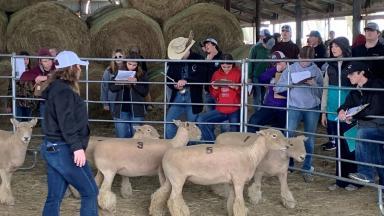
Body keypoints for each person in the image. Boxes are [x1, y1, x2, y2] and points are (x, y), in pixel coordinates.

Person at [40, 50, 98, 216]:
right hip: (63, 148)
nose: (80, 68)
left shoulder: (58, 89)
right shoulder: (63, 92)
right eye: (78, 65)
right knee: (90, 192)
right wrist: (76, 147)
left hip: (57, 147)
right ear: (71, 68)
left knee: (55, 196)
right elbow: (66, 122)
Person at [275, 46, 323, 182]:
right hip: (294, 106)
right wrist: (291, 83)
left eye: (308, 61)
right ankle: (287, 164)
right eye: (302, 60)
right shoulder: (290, 69)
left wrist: (314, 84)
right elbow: (277, 88)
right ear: (298, 57)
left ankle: (307, 167)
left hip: (312, 107)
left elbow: (322, 92)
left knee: (310, 138)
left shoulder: (316, 70)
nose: (304, 63)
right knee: (289, 134)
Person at [320, 37, 360, 191]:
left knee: (349, 144)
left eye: (336, 46)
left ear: (343, 47)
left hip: (348, 109)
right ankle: (340, 180)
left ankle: (355, 179)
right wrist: (323, 111)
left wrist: (355, 110)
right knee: (338, 146)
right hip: (331, 109)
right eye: (331, 47)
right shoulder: (329, 65)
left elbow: (357, 88)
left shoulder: (352, 64)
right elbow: (325, 88)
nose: (333, 49)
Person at [337, 62, 384, 187]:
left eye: (351, 74)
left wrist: (353, 116)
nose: (348, 76)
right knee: (379, 157)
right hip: (367, 126)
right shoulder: (355, 90)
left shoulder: (377, 85)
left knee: (362, 135)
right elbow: (346, 104)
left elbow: (375, 110)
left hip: (379, 127)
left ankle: (366, 173)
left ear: (362, 73)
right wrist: (341, 111)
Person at [165, 32, 207, 139]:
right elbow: (168, 77)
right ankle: (171, 145)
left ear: (187, 50)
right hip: (178, 96)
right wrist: (174, 84)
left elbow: (202, 77)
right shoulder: (175, 62)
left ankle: (192, 149)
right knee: (169, 120)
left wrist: (186, 81)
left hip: (193, 96)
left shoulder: (198, 59)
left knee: (192, 124)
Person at [197, 53, 241, 141]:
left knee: (235, 133)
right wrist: (215, 88)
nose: (226, 69)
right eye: (224, 67)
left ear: (232, 64)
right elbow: (214, 95)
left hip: (234, 109)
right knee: (201, 120)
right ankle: (211, 143)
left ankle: (235, 151)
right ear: (220, 65)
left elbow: (245, 92)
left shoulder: (238, 73)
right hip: (220, 109)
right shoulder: (216, 74)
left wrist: (236, 87)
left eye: (229, 67)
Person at [109, 53, 149, 138]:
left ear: (138, 65)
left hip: (137, 111)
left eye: (134, 65)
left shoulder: (143, 75)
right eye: (129, 64)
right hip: (121, 110)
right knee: (122, 137)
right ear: (125, 63)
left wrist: (136, 83)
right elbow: (111, 88)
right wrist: (121, 82)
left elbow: (144, 92)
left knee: (137, 138)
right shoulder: (118, 73)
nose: (131, 67)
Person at [248, 51, 287, 133]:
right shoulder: (271, 70)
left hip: (284, 108)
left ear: (285, 61)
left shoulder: (290, 71)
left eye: (279, 62)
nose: (277, 64)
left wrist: (279, 91)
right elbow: (262, 79)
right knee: (253, 121)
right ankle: (254, 144)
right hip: (269, 105)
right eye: (274, 63)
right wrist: (274, 70)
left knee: (278, 132)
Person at [20, 48, 55, 132]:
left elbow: (63, 75)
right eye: (45, 61)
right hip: (44, 101)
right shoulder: (38, 69)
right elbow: (23, 76)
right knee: (45, 124)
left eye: (50, 60)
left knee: (56, 122)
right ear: (40, 62)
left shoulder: (56, 66)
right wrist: (36, 77)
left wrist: (46, 77)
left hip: (56, 100)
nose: (48, 63)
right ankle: (47, 142)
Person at [248, 35, 275, 111]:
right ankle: (257, 112)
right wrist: (249, 76)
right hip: (256, 76)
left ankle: (262, 111)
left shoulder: (270, 50)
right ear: (264, 42)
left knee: (264, 95)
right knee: (257, 95)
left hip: (266, 76)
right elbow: (250, 62)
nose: (270, 47)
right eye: (269, 45)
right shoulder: (255, 48)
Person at [6, 51, 34, 121]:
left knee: (27, 123)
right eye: (23, 59)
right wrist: (9, 105)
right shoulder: (14, 74)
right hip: (17, 102)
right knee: (18, 123)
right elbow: (10, 89)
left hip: (29, 103)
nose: (25, 61)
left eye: (27, 59)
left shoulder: (33, 72)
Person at [100, 49, 124, 115]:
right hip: (113, 99)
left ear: (124, 56)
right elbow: (104, 87)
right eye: (115, 57)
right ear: (113, 58)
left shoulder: (128, 68)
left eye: (120, 56)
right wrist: (105, 103)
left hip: (125, 99)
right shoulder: (109, 70)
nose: (118, 58)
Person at [202, 37, 223, 112]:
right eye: (205, 45)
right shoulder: (206, 59)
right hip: (207, 91)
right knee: (209, 117)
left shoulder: (222, 58)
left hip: (220, 92)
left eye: (208, 44)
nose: (206, 46)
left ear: (214, 45)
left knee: (222, 114)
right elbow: (203, 74)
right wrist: (207, 62)